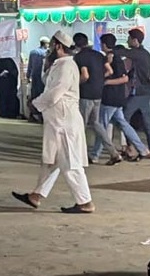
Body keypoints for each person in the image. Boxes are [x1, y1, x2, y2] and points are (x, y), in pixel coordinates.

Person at [11, 37, 93, 214]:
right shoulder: (61, 64)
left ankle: (85, 202)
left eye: (50, 47)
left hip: (64, 123)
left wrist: (35, 103)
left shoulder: (66, 66)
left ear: (58, 46)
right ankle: (36, 195)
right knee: (53, 161)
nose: (48, 50)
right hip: (58, 121)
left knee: (70, 163)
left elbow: (55, 93)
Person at [92, 33, 147, 164]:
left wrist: (106, 82)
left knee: (101, 126)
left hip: (110, 97)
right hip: (118, 97)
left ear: (104, 45)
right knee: (123, 124)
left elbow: (124, 78)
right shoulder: (115, 57)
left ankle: (95, 154)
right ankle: (142, 148)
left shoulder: (113, 58)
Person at [72, 32, 118, 163]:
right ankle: (113, 152)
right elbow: (110, 71)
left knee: (81, 125)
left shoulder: (79, 57)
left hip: (86, 94)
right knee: (96, 124)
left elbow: (85, 75)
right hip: (98, 93)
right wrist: (98, 79)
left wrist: (75, 84)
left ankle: (79, 155)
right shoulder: (99, 55)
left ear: (76, 44)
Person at [122, 29, 150, 157]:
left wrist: (112, 50)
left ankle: (132, 147)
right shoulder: (145, 54)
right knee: (147, 121)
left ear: (135, 40)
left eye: (129, 39)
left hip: (138, 93)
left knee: (124, 119)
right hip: (145, 91)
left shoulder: (138, 53)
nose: (127, 41)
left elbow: (123, 52)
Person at [27, 36, 48, 121]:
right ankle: (41, 115)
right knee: (42, 95)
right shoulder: (47, 53)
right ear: (46, 44)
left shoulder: (33, 52)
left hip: (34, 77)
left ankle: (33, 115)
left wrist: (28, 75)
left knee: (34, 95)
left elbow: (30, 65)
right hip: (43, 77)